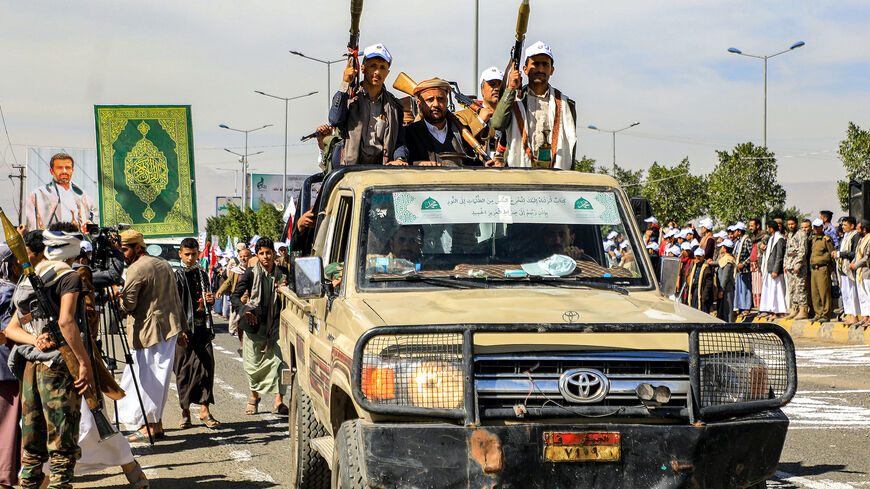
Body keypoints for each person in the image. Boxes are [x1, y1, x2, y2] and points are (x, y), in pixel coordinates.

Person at [3, 227, 94, 488]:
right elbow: (66, 322)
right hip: (59, 367)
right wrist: (83, 363)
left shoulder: (28, 280)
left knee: (32, 444)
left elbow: (11, 329)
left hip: (31, 367)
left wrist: (35, 340)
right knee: (62, 444)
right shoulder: (69, 277)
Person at [116, 230, 187, 442]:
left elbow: (129, 304)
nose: (123, 253)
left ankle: (149, 427)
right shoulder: (163, 263)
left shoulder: (136, 269)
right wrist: (182, 328)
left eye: (126, 249)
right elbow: (176, 298)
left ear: (139, 247)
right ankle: (156, 424)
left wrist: (117, 296)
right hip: (169, 329)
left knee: (148, 380)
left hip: (149, 332)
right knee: (158, 379)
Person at [491, 41, 577, 168]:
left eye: (545, 64)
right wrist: (510, 89)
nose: (540, 69)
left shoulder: (565, 104)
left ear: (552, 70)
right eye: (535, 64)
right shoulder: (514, 100)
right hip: (520, 174)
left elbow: (570, 146)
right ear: (525, 69)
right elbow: (498, 124)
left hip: (555, 175)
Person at [231, 237, 289, 415]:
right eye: (262, 253)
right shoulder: (250, 273)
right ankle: (254, 396)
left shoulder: (284, 273)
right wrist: (245, 311)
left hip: (277, 324)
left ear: (273, 254)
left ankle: (279, 401)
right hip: (254, 325)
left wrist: (285, 289)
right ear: (257, 255)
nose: (265, 257)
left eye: (268, 253)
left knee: (280, 362)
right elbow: (235, 296)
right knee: (252, 364)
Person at [328, 43, 407, 166]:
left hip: (381, 170)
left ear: (387, 72)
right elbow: (335, 119)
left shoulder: (394, 106)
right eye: (373, 66)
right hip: (348, 169)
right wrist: (345, 83)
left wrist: (400, 159)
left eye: (382, 68)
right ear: (363, 68)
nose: (377, 72)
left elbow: (400, 142)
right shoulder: (350, 98)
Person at [173, 238, 219, 429]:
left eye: (194, 254)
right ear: (181, 254)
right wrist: (179, 330)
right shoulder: (176, 276)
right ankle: (185, 412)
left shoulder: (202, 274)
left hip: (203, 329)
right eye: (187, 254)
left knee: (206, 367)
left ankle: (204, 410)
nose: (191, 258)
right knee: (183, 371)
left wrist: (210, 300)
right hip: (184, 331)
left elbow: (207, 301)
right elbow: (174, 305)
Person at [398, 78, 480, 166]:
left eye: (440, 99)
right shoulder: (408, 133)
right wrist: (419, 165)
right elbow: (403, 164)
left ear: (447, 102)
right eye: (430, 100)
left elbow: (473, 164)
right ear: (419, 105)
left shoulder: (461, 132)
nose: (436, 104)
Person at [24, 153, 99, 231]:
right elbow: (31, 227)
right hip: (50, 240)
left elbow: (97, 219)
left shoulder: (82, 195)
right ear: (51, 171)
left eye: (68, 168)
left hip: (77, 240)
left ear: (72, 170)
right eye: (59, 168)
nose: (64, 171)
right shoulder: (38, 195)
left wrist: (87, 226)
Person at [0, 245, 22, 489]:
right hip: (6, 366)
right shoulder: (9, 292)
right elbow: (8, 332)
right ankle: (5, 477)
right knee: (8, 422)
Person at [454, 66, 505, 164]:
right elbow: (458, 142)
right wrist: (480, 121)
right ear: (482, 89)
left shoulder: (512, 116)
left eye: (500, 85)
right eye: (492, 84)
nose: (497, 89)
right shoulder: (463, 116)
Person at [217, 245, 251, 342]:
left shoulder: (253, 270)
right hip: (238, 301)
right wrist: (220, 291)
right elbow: (228, 282)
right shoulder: (236, 270)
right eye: (241, 256)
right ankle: (242, 344)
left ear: (250, 257)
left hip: (249, 302)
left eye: (245, 256)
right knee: (239, 323)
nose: (243, 259)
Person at [834, 216, 860, 324]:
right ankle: (849, 314)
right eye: (842, 225)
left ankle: (854, 315)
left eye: (845, 225)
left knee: (852, 292)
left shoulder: (855, 236)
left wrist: (840, 254)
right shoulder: (844, 236)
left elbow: (854, 253)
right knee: (845, 292)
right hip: (842, 268)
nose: (843, 227)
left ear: (852, 226)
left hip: (850, 268)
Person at [784, 217, 810, 320]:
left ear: (796, 224)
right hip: (790, 265)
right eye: (789, 224)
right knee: (792, 289)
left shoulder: (801, 234)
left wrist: (798, 265)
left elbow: (802, 251)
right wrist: (785, 264)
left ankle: (803, 310)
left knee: (800, 288)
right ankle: (795, 308)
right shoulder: (790, 235)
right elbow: (787, 251)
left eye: (792, 224)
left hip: (798, 266)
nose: (790, 226)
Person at [759, 221, 787, 318]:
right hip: (769, 270)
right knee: (771, 292)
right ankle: (772, 310)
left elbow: (779, 256)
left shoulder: (779, 239)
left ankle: (779, 312)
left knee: (777, 292)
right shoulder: (771, 239)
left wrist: (776, 270)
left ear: (771, 228)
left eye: (768, 228)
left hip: (776, 271)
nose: (767, 230)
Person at [810, 219, 836, 321]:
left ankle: (826, 314)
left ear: (822, 227)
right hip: (814, 269)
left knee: (824, 291)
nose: (816, 229)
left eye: (818, 227)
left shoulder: (826, 239)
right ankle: (818, 313)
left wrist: (831, 268)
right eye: (815, 227)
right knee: (815, 293)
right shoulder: (813, 239)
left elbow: (832, 254)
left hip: (823, 268)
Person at [731, 222, 753, 317]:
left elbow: (751, 255)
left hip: (745, 270)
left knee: (746, 289)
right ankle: (740, 307)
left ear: (739, 231)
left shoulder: (747, 240)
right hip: (738, 270)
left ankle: (746, 308)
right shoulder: (738, 241)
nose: (734, 233)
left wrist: (743, 264)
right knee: (739, 289)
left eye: (735, 231)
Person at [851, 220, 870, 325]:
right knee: (862, 295)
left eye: (858, 228)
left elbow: (866, 257)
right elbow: (857, 254)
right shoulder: (861, 240)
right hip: (860, 272)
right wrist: (853, 263)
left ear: (864, 229)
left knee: (868, 294)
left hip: (867, 271)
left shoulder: (869, 240)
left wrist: (856, 265)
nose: (857, 231)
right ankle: (865, 317)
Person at [686, 247, 715, 313]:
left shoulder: (706, 268)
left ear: (703, 256)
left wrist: (704, 296)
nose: (698, 258)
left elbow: (708, 284)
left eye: (700, 256)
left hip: (702, 291)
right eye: (697, 256)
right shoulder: (695, 266)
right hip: (695, 291)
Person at [716, 239, 736, 322]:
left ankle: (730, 326)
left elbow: (725, 277)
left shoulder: (729, 261)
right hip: (724, 288)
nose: (721, 248)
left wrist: (721, 290)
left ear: (725, 248)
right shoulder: (724, 259)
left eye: (723, 246)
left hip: (727, 288)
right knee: (723, 308)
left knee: (728, 309)